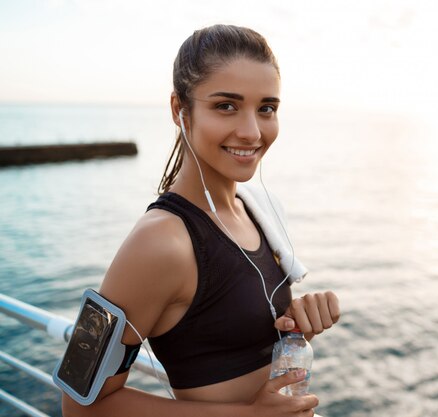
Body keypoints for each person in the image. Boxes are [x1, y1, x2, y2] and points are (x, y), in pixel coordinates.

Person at [62, 24, 340, 417]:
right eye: (226, 105)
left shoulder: (258, 211)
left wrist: (297, 320)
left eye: (266, 108)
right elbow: (80, 403)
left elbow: (226, 326)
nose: (251, 131)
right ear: (180, 110)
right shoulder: (160, 241)